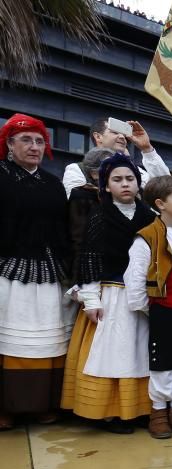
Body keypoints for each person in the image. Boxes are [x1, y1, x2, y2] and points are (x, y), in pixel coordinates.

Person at [61, 154, 155, 432]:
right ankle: (109, 412)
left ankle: (138, 409)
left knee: (138, 352)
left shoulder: (149, 216)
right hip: (110, 295)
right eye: (117, 180)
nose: (125, 184)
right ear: (106, 186)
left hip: (141, 295)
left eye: (130, 179)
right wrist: (90, 298)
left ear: (138, 184)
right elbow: (90, 257)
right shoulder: (100, 215)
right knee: (112, 352)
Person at [0, 114, 76, 429]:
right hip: (7, 271)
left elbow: (65, 229)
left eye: (39, 141)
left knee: (50, 338)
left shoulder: (53, 183)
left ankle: (44, 405)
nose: (34, 147)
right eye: (26, 140)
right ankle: (5, 408)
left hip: (49, 272)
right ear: (9, 145)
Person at [123, 175, 172, 439]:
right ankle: (158, 411)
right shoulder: (147, 237)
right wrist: (151, 308)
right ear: (160, 204)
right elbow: (135, 277)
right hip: (164, 309)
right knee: (162, 362)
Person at [62, 119, 170, 197]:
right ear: (98, 137)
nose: (123, 137)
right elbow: (76, 205)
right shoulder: (77, 169)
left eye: (124, 134)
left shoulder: (137, 171)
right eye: (115, 132)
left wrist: (147, 148)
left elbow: (167, 188)